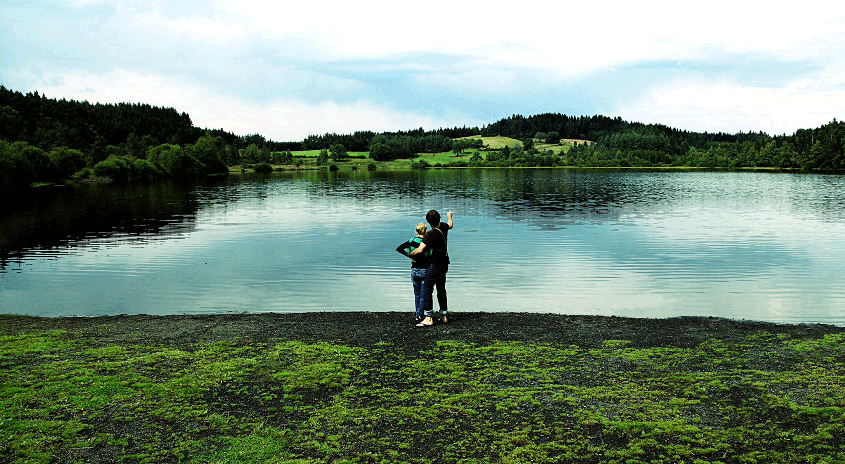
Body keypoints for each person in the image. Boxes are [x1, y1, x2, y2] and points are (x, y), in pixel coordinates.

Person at [410, 209, 453, 327]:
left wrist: (411, 254)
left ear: (428, 222)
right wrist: (449, 216)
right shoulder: (443, 227)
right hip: (444, 264)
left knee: (428, 290)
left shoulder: (430, 234)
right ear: (439, 219)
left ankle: (428, 318)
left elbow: (420, 250)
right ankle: (443, 316)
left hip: (434, 264)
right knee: (441, 289)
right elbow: (450, 225)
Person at [395, 223, 431, 323]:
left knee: (417, 294)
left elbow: (399, 248)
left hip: (414, 270)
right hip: (424, 270)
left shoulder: (411, 241)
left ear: (416, 231)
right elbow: (431, 255)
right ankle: (419, 314)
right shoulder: (426, 242)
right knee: (423, 293)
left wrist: (410, 255)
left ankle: (417, 313)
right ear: (426, 231)